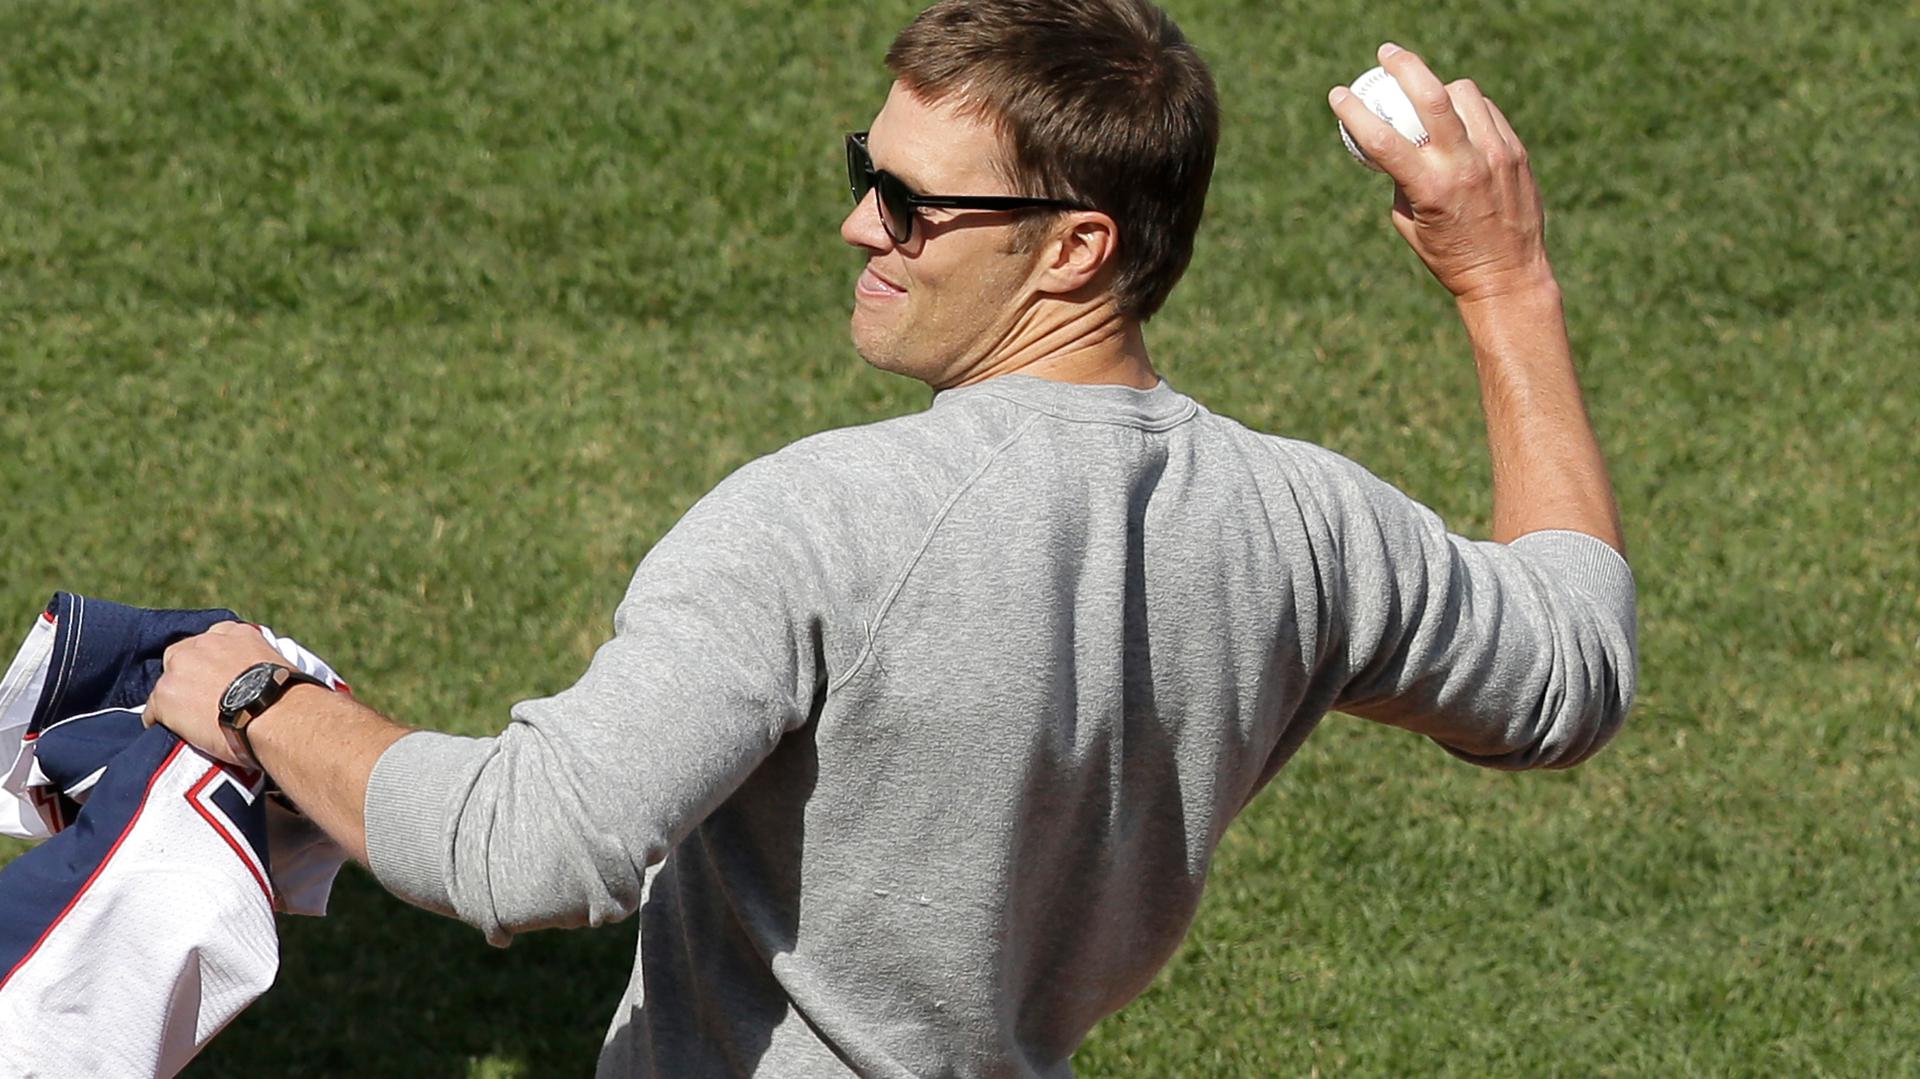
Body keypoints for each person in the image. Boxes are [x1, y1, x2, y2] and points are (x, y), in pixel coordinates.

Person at [146, 2, 1637, 1075]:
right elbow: (1570, 668)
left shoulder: (819, 525)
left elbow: (528, 851)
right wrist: (1504, 282)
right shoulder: (1308, 531)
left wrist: (265, 701)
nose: (864, 226)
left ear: (1074, 249)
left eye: (916, 204)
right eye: (871, 166)